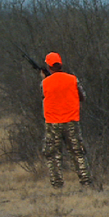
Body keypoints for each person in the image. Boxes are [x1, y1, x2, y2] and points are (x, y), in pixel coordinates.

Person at [40, 52, 92, 188]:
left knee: (53, 154)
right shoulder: (73, 79)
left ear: (49, 67)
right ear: (61, 64)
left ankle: (57, 185)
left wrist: (46, 78)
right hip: (71, 122)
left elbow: (43, 96)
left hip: (53, 123)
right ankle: (86, 182)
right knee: (77, 152)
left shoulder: (45, 82)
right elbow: (82, 97)